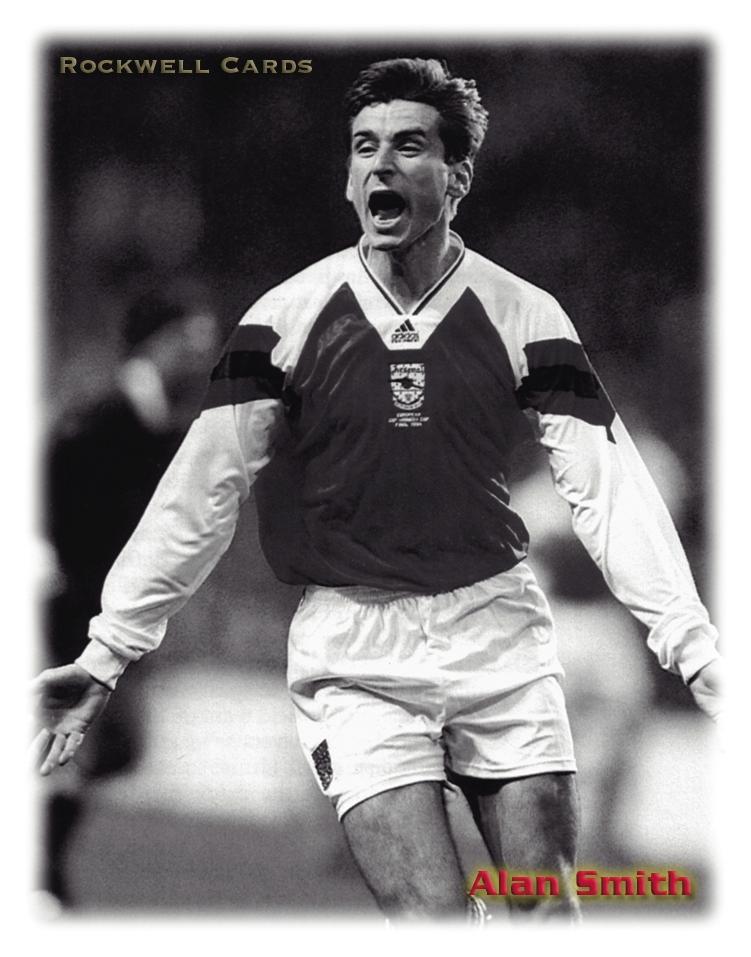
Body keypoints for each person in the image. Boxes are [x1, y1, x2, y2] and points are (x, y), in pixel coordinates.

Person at [32, 58, 721, 922]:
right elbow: (197, 497)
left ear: (457, 176)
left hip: (497, 635)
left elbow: (608, 487)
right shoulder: (281, 322)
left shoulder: (525, 314)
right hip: (355, 651)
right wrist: (108, 648)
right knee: (431, 919)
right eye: (363, 146)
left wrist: (691, 645)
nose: (380, 164)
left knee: (544, 911)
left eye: (408, 145)